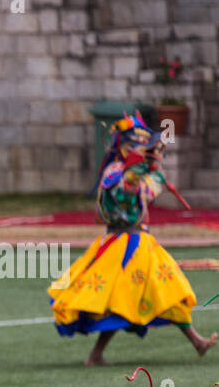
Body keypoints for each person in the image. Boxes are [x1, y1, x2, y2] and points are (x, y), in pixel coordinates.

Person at [50, 112, 216, 366]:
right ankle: (96, 354)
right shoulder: (114, 172)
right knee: (120, 300)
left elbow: (148, 190)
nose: (143, 151)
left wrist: (148, 170)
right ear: (125, 147)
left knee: (169, 290)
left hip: (142, 243)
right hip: (122, 244)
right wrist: (134, 175)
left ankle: (196, 341)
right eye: (137, 146)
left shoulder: (139, 172)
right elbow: (124, 196)